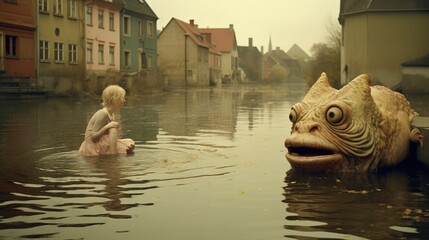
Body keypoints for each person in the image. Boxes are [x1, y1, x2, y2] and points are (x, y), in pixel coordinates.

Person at [79, 85, 135, 156]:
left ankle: (115, 153)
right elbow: (93, 138)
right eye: (122, 98)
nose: (124, 100)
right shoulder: (103, 114)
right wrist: (107, 127)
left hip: (102, 140)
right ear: (114, 99)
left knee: (130, 143)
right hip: (92, 145)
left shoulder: (112, 114)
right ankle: (113, 156)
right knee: (113, 129)